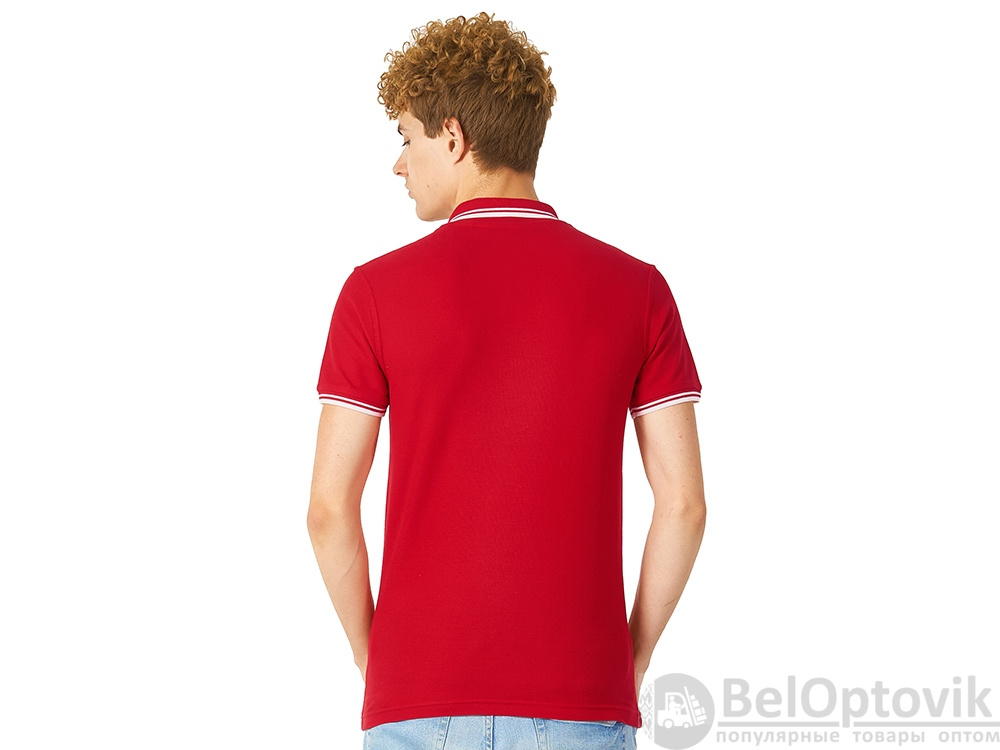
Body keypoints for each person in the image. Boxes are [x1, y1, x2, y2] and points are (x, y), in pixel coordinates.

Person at [306, 12, 706, 749]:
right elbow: (683, 506)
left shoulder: (373, 293)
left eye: (406, 138)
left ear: (453, 138)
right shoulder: (639, 290)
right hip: (582, 699)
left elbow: (329, 511)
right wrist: (631, 659)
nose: (398, 164)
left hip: (417, 699)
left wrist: (377, 661)